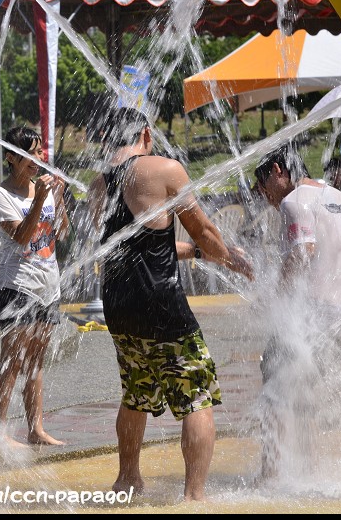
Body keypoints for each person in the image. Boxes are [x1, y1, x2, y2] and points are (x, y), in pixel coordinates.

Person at [88, 107, 253, 501]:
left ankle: (127, 479)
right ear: (146, 133)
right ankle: (194, 496)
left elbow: (140, 247)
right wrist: (229, 256)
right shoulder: (163, 170)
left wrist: (196, 252)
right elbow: (205, 230)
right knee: (197, 394)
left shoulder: (99, 183)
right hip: (161, 305)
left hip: (119, 305)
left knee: (136, 391)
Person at [253, 146, 341, 480]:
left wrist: (277, 300)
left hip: (314, 313)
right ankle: (308, 468)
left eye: (262, 187)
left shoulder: (293, 201)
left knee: (273, 384)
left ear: (276, 170)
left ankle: (270, 476)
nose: (264, 197)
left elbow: (302, 253)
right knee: (304, 388)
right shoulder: (336, 195)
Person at [0, 126, 69, 446]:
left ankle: (36, 429)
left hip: (48, 283)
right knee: (12, 358)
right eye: (29, 154)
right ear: (11, 157)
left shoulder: (44, 190)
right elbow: (20, 236)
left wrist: (58, 199)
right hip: (17, 285)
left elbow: (61, 232)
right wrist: (41, 201)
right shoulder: (1, 194)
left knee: (35, 360)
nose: (37, 159)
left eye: (39, 153)